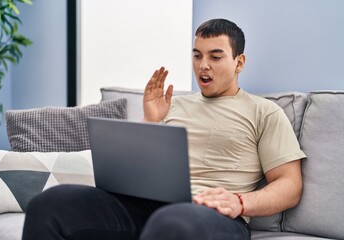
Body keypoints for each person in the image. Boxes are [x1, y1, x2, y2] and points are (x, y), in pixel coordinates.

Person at [22, 18, 306, 240]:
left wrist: (239, 202)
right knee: (50, 204)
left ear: (239, 62)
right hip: (147, 205)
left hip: (212, 216)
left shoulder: (264, 111)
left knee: (171, 223)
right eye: (197, 55)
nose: (202, 66)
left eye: (215, 57)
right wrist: (151, 122)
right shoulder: (175, 105)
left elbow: (290, 185)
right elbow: (141, 173)